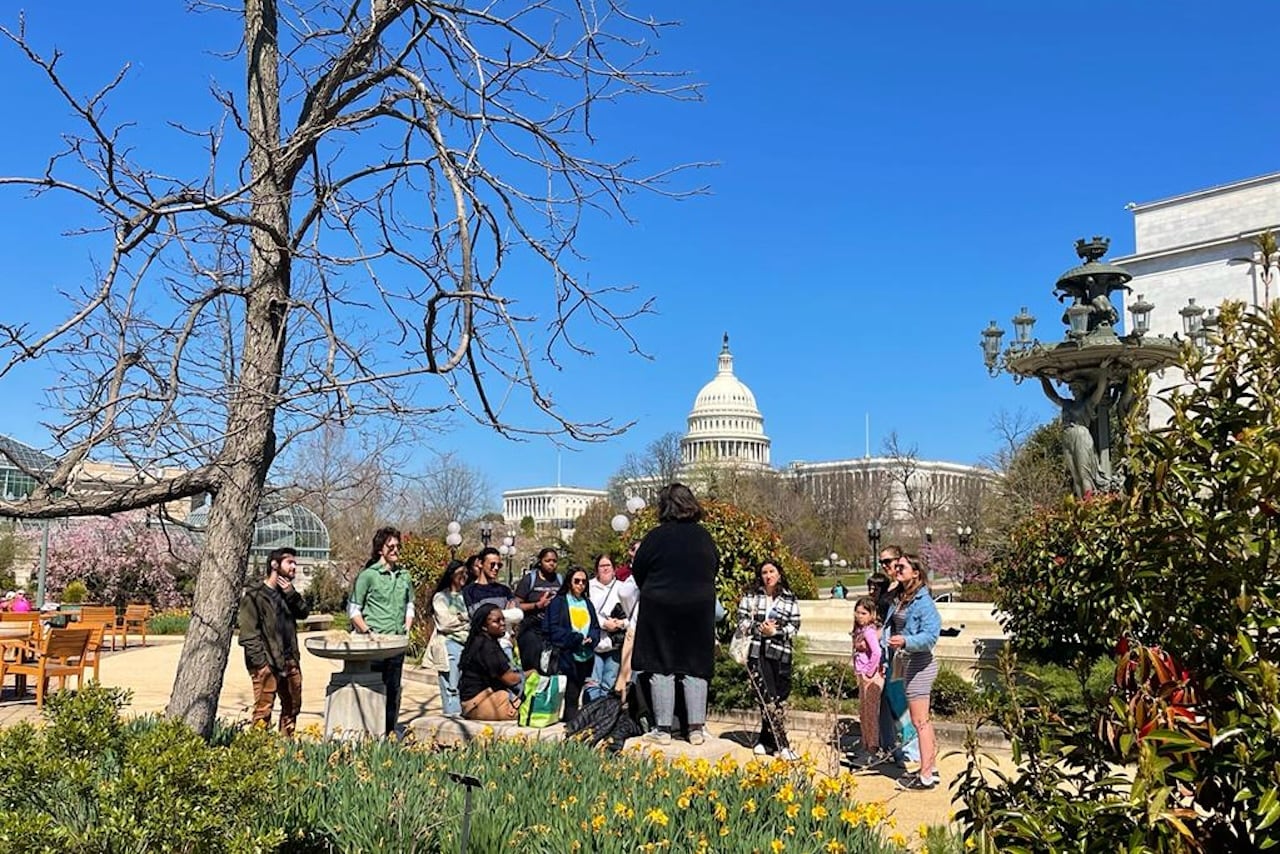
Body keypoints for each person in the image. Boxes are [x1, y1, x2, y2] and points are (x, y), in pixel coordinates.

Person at [631, 482, 718, 745]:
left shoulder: (656, 536)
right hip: (698, 606)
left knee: (662, 664)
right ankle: (695, 729)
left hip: (661, 604)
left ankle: (664, 730)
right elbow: (714, 566)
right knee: (695, 665)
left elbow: (639, 570)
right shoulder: (704, 537)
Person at [884, 553, 942, 791]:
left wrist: (906, 641)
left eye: (902, 567)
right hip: (907, 663)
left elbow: (930, 636)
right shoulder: (902, 597)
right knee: (922, 720)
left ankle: (926, 775)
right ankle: (931, 768)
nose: (897, 569)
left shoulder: (923, 602)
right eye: (896, 566)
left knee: (920, 721)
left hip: (920, 664)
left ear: (916, 572)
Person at [349, 526, 415, 736]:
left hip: (396, 645)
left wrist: (407, 628)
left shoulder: (404, 576)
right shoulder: (368, 576)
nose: (396, 549)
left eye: (398, 546)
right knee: (373, 690)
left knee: (393, 690)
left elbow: (410, 605)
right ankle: (369, 733)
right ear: (380, 549)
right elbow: (354, 610)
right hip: (374, 646)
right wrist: (368, 633)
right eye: (391, 546)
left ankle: (388, 732)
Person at [236, 546, 309, 734]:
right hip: (267, 663)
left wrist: (292, 594)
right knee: (263, 711)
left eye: (295, 562)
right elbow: (248, 635)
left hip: (289, 660)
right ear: (275, 565)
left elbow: (303, 613)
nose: (294, 566)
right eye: (289, 562)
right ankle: (259, 752)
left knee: (292, 707)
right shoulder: (254, 596)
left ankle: (286, 749)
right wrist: (262, 665)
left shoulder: (288, 594)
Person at [736, 559, 801, 760]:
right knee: (768, 697)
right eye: (764, 572)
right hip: (758, 652)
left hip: (781, 654)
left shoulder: (789, 598)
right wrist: (760, 629)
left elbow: (795, 626)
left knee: (779, 697)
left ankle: (765, 740)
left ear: (779, 574)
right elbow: (742, 621)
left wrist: (776, 631)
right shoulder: (751, 596)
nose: (768, 576)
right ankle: (782, 745)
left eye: (772, 571)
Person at [1040, 365, 1111, 498]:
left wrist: (1103, 370)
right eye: (1073, 388)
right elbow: (1052, 395)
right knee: (1075, 475)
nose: (1075, 390)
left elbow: (1100, 390)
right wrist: (1043, 378)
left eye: (1077, 388)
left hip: (1081, 434)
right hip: (1067, 435)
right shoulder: (1067, 404)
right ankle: (1081, 506)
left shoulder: (1087, 403)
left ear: (1083, 390)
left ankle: (1089, 505)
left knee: (1084, 473)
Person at [544, 566, 601, 722]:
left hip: (585, 656)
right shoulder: (559, 602)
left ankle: (572, 722)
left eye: (584, 582)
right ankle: (568, 723)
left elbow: (595, 626)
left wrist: (591, 638)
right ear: (569, 582)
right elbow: (552, 629)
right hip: (566, 655)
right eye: (577, 581)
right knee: (569, 692)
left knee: (576, 693)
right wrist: (575, 638)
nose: (580, 585)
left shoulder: (587, 603)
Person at [586, 552, 638, 702]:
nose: (605, 569)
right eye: (602, 566)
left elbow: (633, 615)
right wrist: (603, 623)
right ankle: (591, 712)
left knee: (609, 682)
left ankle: (603, 715)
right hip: (594, 643)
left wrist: (621, 624)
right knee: (592, 682)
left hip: (614, 644)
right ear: (597, 569)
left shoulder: (623, 588)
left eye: (608, 565)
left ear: (614, 568)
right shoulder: (589, 586)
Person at [457, 604, 522, 721]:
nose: (502, 623)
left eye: (503, 619)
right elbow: (510, 679)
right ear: (484, 627)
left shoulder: (482, 641)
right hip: (481, 702)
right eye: (497, 621)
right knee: (535, 708)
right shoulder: (486, 647)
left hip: (475, 701)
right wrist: (530, 674)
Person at [426, 560, 470, 717]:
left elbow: (475, 618)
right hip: (450, 644)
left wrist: (459, 619)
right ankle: (452, 717)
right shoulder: (441, 597)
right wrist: (465, 618)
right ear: (451, 575)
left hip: (468, 645)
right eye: (460, 573)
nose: (463, 576)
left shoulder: (467, 595)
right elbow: (444, 624)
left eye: (465, 573)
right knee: (451, 685)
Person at [512, 548, 563, 672]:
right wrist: (537, 605)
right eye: (548, 560)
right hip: (531, 630)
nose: (551, 564)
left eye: (554, 561)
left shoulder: (560, 579)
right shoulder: (529, 579)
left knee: (552, 668)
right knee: (532, 668)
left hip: (552, 631)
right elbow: (515, 605)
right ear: (540, 562)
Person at [851, 596, 884, 766]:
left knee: (870, 713)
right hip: (862, 674)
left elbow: (876, 652)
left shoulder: (870, 631)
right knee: (863, 712)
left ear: (871, 614)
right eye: (857, 612)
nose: (859, 616)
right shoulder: (860, 631)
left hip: (870, 676)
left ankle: (872, 748)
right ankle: (865, 744)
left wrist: (870, 671)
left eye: (863, 613)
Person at [463, 547, 515, 616]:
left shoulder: (505, 591)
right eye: (492, 564)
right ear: (480, 563)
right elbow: (475, 616)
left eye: (499, 565)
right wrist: (505, 614)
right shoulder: (469, 591)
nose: (496, 568)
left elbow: (515, 615)